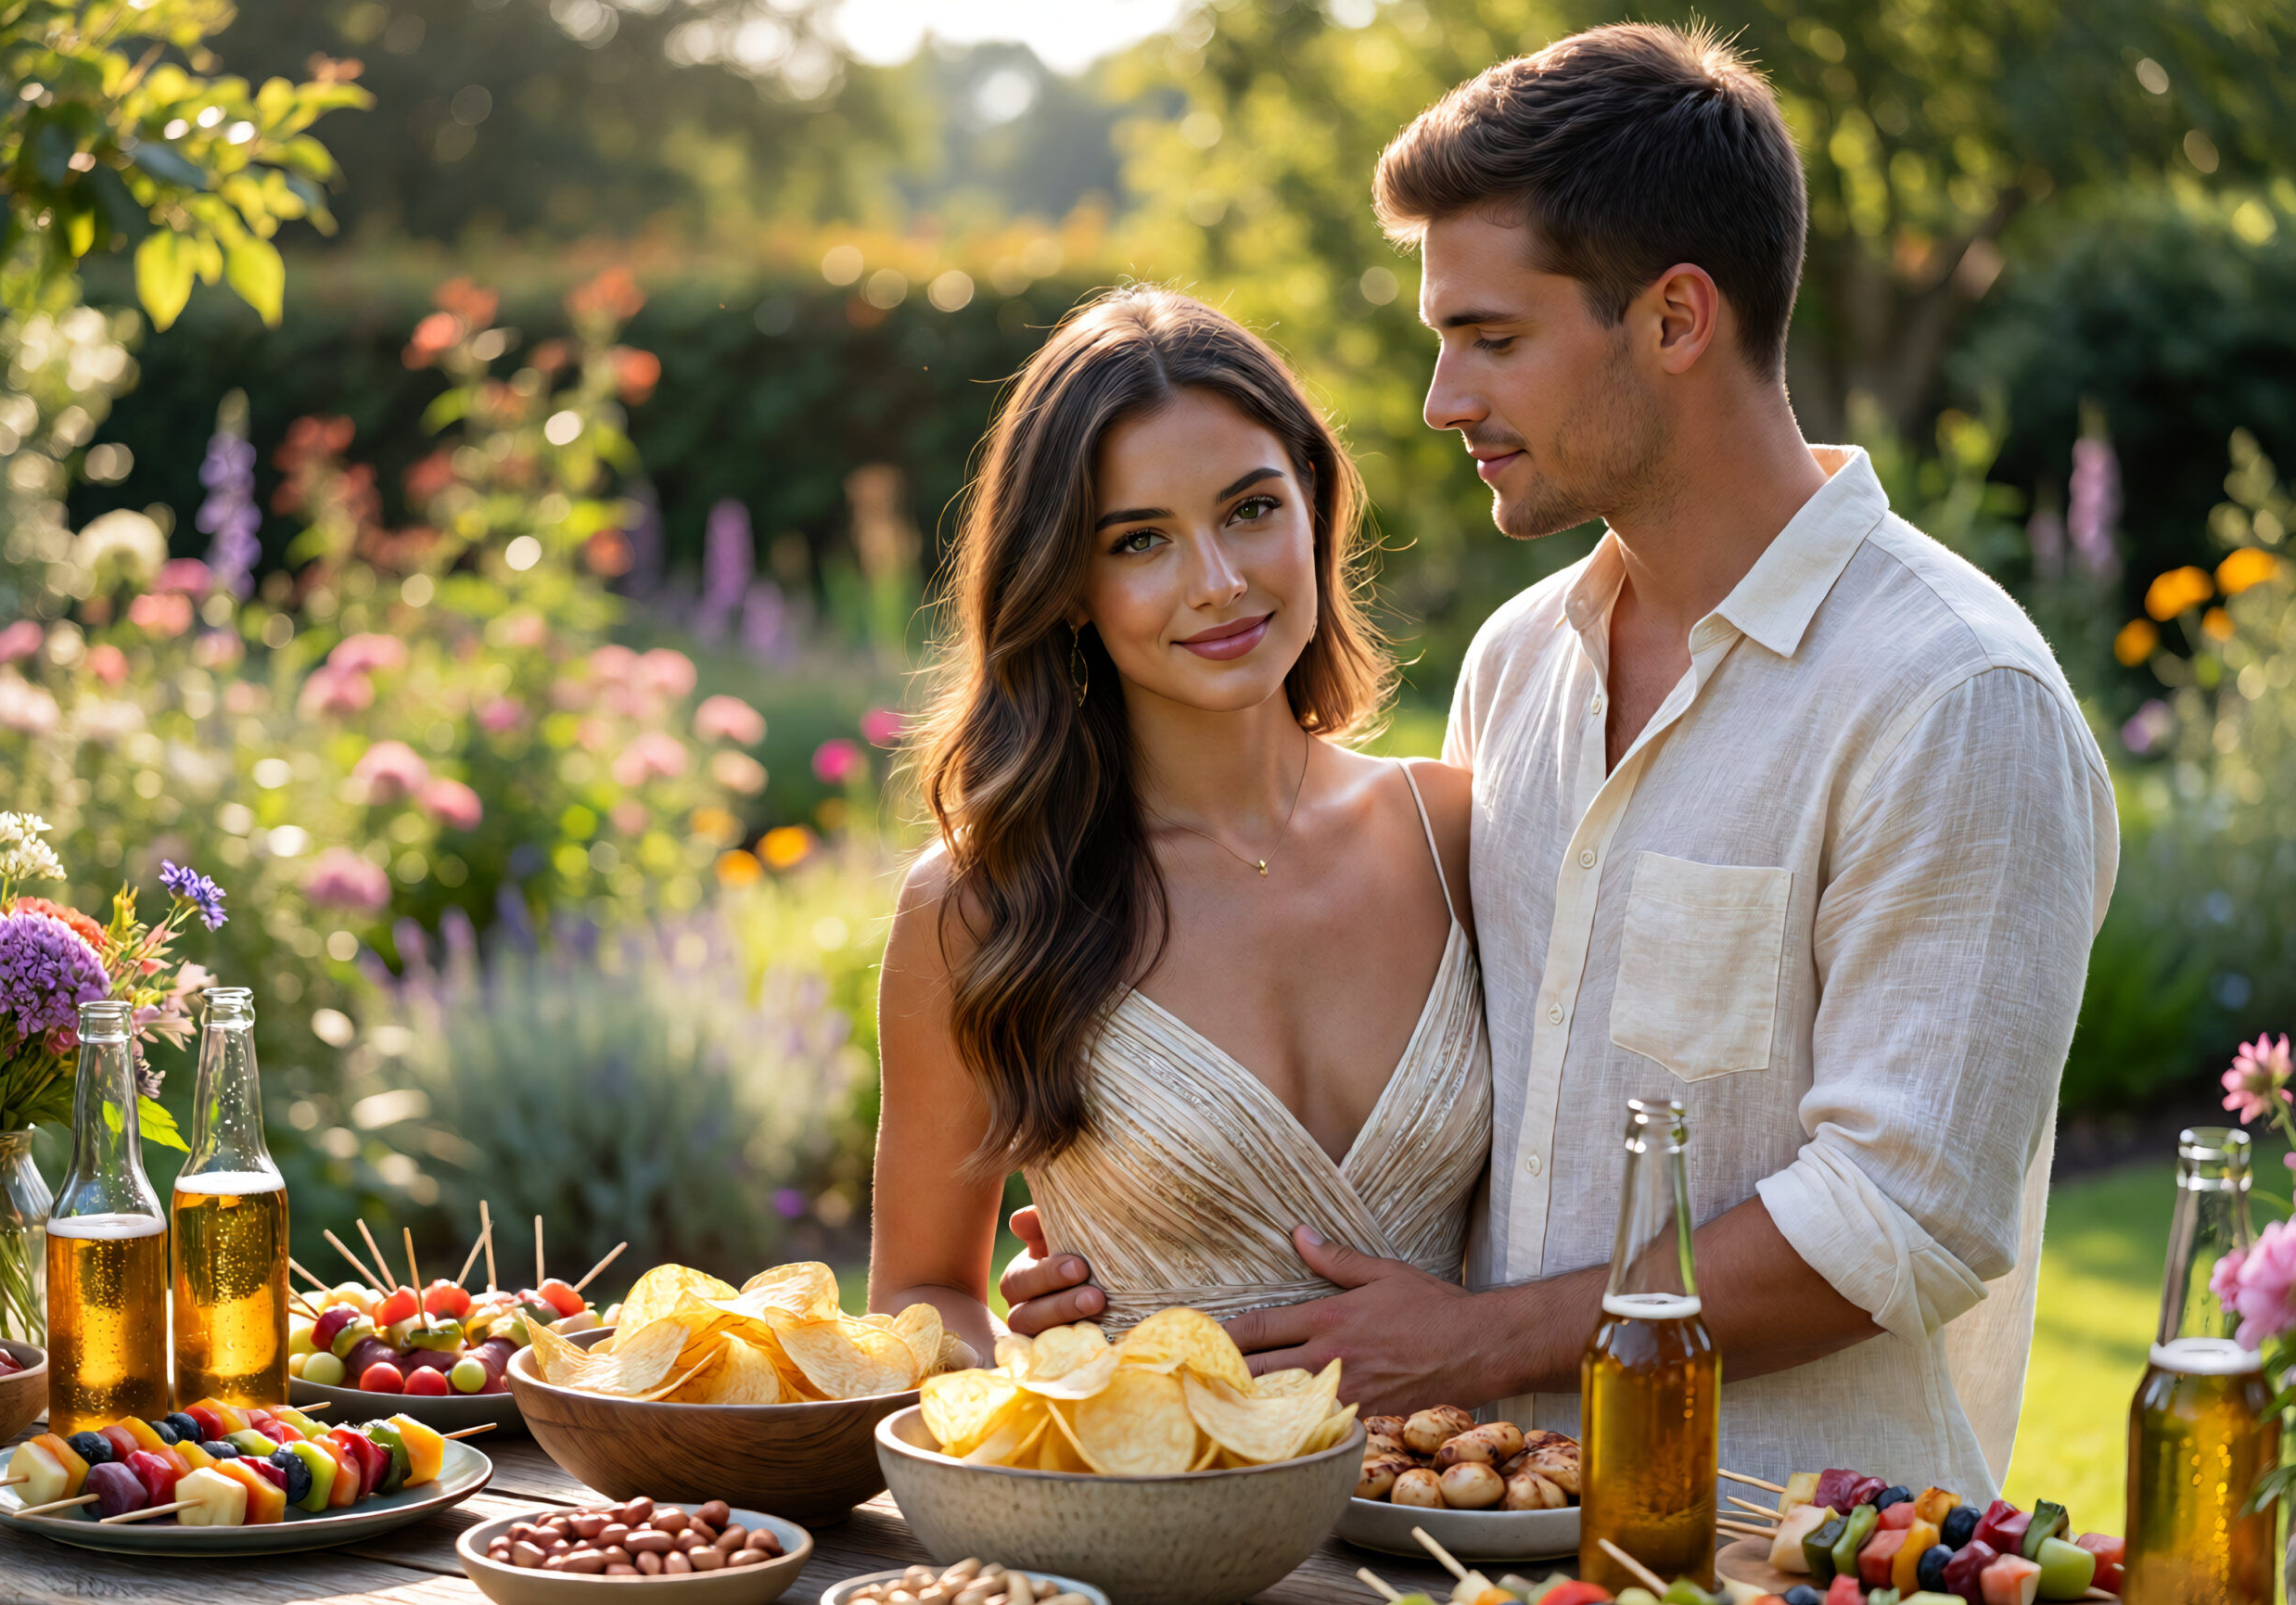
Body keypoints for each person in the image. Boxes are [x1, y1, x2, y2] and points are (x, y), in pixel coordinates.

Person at [1001, 24, 2117, 1500]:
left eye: (1492, 337)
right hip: (1470, 1561)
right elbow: (1459, 1130)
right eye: (1440, 340)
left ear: (1673, 318)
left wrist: (1472, 1343)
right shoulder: (1521, 664)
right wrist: (1148, 1286)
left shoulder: (1949, 696)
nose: (1441, 401)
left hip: (1790, 1588)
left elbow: (1899, 1215)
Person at [868, 287, 1491, 1363]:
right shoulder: (981, 902)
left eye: (1251, 509)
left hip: (1462, 1517)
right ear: (1066, 584)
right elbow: (920, 1295)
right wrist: (1037, 1370)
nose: (1216, 583)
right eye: (1140, 541)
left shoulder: (1458, 837)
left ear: (1312, 498)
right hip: (1139, 1520)